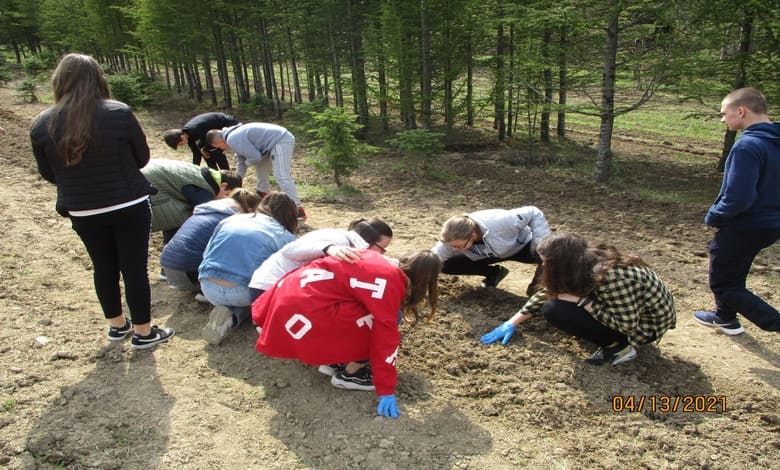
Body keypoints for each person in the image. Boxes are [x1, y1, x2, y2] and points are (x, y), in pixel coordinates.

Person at [30, 53, 174, 349]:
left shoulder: (42, 123)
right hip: (128, 204)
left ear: (59, 80)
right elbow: (142, 158)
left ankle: (117, 326)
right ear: (98, 78)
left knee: (102, 266)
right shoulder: (118, 112)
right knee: (134, 268)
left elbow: (48, 173)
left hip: (82, 209)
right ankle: (144, 333)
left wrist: (80, 183)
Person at [252, 249, 441, 418]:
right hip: (307, 312)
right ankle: (350, 374)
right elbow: (385, 336)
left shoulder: (372, 256)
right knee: (386, 319)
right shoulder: (390, 282)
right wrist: (386, 388)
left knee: (358, 310)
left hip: (287, 297)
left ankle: (333, 361)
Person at [481, 233, 676, 366]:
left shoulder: (612, 277)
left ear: (561, 262)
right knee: (556, 303)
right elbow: (550, 291)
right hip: (624, 309)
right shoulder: (581, 261)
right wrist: (511, 322)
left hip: (646, 325)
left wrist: (583, 302)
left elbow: (627, 324)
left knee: (555, 311)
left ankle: (619, 348)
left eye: (546, 261)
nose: (542, 265)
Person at [249, 217, 394, 390]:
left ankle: (333, 358)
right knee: (356, 313)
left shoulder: (344, 239)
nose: (382, 255)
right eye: (382, 249)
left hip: (273, 292)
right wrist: (329, 249)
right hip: (269, 295)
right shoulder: (338, 242)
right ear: (369, 242)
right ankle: (345, 367)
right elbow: (291, 249)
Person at [694, 87, 780, 335]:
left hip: (745, 224)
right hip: (770, 223)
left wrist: (714, 216)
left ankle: (774, 322)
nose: (723, 119)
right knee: (735, 270)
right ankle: (725, 317)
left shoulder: (748, 146)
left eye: (724, 113)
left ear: (740, 111)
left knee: (723, 282)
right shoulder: (774, 141)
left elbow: (738, 198)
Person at [198, 192, 298, 345]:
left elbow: (207, 252)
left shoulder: (232, 219)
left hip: (206, 285)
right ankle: (233, 316)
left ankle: (224, 309)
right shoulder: (285, 236)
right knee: (270, 292)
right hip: (242, 292)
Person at [159, 188, 261, 295]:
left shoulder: (208, 210)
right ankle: (207, 293)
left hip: (169, 268)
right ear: (250, 210)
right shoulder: (230, 220)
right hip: (188, 274)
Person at [432, 206, 551, 295]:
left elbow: (533, 212)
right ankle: (495, 273)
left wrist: (540, 244)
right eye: (452, 246)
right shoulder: (452, 237)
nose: (453, 249)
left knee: (552, 253)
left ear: (473, 235)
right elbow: (433, 259)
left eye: (457, 246)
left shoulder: (500, 221)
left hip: (522, 247)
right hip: (489, 253)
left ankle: (537, 288)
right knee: (445, 265)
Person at [206, 123, 306, 220]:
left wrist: (247, 162)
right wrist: (235, 183)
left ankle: (297, 208)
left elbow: (255, 157)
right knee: (260, 170)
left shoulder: (232, 139)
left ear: (219, 141)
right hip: (266, 147)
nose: (221, 149)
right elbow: (242, 162)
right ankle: (263, 196)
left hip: (280, 140)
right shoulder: (232, 137)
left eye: (219, 147)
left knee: (281, 176)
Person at [141, 158, 243, 243]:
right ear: (223, 185)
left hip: (146, 173)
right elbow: (209, 218)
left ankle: (170, 244)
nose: (223, 199)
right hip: (148, 184)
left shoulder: (203, 174)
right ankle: (173, 245)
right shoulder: (204, 189)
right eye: (226, 195)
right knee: (181, 217)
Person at [163, 112, 240, 170]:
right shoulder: (188, 135)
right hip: (213, 131)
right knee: (204, 150)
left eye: (180, 144)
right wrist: (193, 169)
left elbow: (210, 142)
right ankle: (214, 172)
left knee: (214, 151)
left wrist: (204, 150)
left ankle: (226, 173)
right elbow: (196, 153)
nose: (181, 146)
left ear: (182, 137)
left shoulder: (195, 129)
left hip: (228, 123)